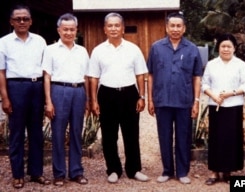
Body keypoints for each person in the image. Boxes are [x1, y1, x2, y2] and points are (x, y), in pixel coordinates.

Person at [88, 12, 149, 183]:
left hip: (129, 94)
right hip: (107, 94)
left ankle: (134, 169)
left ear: (122, 28)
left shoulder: (133, 49)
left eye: (117, 25)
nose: (113, 28)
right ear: (105, 29)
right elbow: (93, 77)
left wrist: (141, 96)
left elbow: (140, 75)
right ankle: (113, 169)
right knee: (109, 135)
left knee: (131, 134)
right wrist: (93, 100)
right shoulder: (98, 50)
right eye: (110, 25)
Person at [147, 12, 203, 184]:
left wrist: (196, 102)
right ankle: (167, 171)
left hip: (184, 101)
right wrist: (150, 99)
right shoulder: (156, 47)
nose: (176, 29)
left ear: (184, 28)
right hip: (162, 100)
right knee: (164, 136)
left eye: (179, 26)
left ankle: (182, 172)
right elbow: (150, 75)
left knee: (183, 136)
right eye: (172, 25)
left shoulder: (192, 49)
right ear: (167, 27)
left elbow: (197, 77)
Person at [0, 4, 50, 189]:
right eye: (18, 19)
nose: (22, 21)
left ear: (31, 21)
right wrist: (5, 97)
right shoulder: (3, 42)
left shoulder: (40, 41)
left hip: (36, 86)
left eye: (25, 18)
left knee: (37, 132)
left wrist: (46, 97)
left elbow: (46, 71)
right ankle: (17, 174)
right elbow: (1, 72)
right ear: (11, 21)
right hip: (16, 87)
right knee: (17, 133)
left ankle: (36, 172)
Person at [42, 13, 89, 186]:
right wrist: (48, 101)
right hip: (58, 90)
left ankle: (76, 171)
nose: (68, 33)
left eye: (72, 29)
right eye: (65, 29)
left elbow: (86, 75)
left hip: (78, 91)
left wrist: (87, 99)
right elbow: (46, 76)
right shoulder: (50, 50)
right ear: (59, 30)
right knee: (58, 133)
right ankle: (59, 173)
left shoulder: (82, 51)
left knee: (77, 132)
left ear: (76, 30)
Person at [202, 34, 245, 185]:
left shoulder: (240, 64)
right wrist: (214, 96)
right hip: (216, 106)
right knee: (216, 139)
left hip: (234, 106)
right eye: (223, 46)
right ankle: (214, 172)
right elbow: (204, 84)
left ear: (234, 48)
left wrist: (232, 93)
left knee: (231, 139)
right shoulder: (211, 64)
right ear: (218, 48)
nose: (226, 49)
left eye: (229, 46)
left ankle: (228, 172)